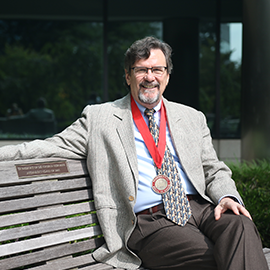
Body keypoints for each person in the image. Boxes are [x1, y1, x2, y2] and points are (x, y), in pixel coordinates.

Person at [0, 37, 268, 270]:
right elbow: (49, 146)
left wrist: (226, 196)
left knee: (241, 226)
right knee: (222, 255)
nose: (149, 77)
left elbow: (213, 169)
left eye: (157, 69)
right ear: (128, 76)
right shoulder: (100, 118)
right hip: (147, 221)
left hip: (200, 208)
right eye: (141, 70)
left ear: (167, 76)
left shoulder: (191, 117)